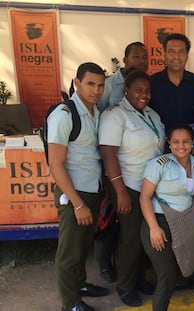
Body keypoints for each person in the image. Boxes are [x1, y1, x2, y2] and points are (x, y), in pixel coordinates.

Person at [98, 70, 165, 306]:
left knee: (144, 237)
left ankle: (137, 279)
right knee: (131, 238)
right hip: (128, 185)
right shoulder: (114, 115)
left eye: (147, 91)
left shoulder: (152, 115)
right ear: (126, 90)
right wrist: (121, 192)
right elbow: (108, 154)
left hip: (150, 187)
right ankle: (125, 286)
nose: (144, 95)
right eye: (138, 90)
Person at [48, 62, 108, 311]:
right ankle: (70, 304)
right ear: (76, 83)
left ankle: (79, 285)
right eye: (90, 84)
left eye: (100, 85)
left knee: (83, 246)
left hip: (92, 189)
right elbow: (56, 164)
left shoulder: (94, 112)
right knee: (69, 252)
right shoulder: (64, 114)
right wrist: (78, 203)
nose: (96, 90)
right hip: (74, 193)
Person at [140, 124, 194, 311]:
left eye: (186, 141)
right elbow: (144, 197)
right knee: (167, 276)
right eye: (176, 142)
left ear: (192, 142)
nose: (181, 146)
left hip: (185, 224)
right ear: (169, 143)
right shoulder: (158, 165)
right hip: (158, 223)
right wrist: (153, 228)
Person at [149, 33, 194, 130]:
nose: (176, 57)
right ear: (164, 55)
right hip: (161, 142)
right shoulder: (152, 83)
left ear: (187, 56)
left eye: (181, 52)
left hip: (192, 142)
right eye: (171, 52)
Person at [97, 42, 148, 112]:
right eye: (137, 56)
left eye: (145, 58)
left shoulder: (149, 84)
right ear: (125, 60)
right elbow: (99, 112)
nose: (142, 61)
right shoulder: (109, 84)